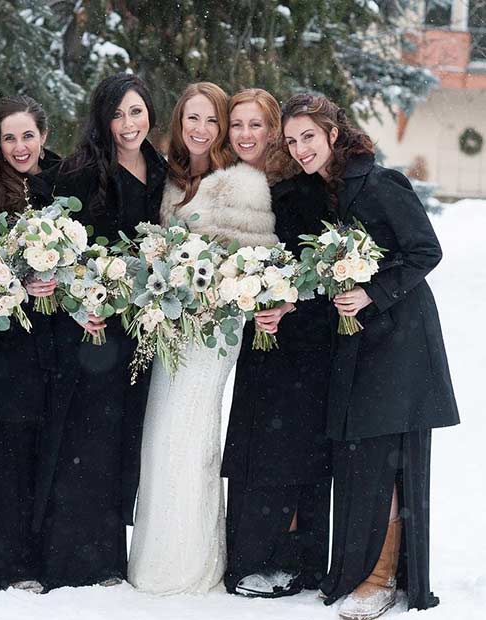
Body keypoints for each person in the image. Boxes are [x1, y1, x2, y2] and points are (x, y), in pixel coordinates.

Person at [281, 93, 460, 620]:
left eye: (308, 137)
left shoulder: (381, 184)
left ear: (333, 134)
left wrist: (372, 293)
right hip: (357, 342)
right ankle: (365, 569)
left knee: (386, 462)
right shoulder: (326, 192)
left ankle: (381, 577)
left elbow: (426, 251)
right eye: (291, 142)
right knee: (362, 459)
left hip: (399, 341)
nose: (300, 149)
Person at [127, 82, 278, 595]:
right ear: (178, 123)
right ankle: (155, 556)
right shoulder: (167, 181)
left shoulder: (241, 185)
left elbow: (252, 261)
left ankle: (188, 565)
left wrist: (206, 286)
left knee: (186, 432)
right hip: (170, 326)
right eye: (193, 118)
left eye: (212, 120)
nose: (202, 129)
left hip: (212, 330)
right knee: (159, 436)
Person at [34, 73, 167, 591]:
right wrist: (78, 302)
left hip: (141, 328)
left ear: (149, 113)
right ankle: (70, 559)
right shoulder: (81, 173)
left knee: (122, 438)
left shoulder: (161, 170)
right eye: (117, 114)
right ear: (102, 118)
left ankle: (110, 555)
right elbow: (59, 248)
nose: (128, 124)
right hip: (92, 331)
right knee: (83, 438)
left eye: (136, 112)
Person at [222, 88, 333, 598]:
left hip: (301, 342)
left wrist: (289, 302)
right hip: (258, 339)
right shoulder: (232, 185)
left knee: (284, 450)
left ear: (275, 134)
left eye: (256, 126)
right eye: (237, 125)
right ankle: (249, 555)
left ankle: (288, 558)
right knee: (253, 445)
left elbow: (319, 269)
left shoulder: (300, 189)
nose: (246, 135)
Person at [0, 94, 60, 593]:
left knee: (44, 451)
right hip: (5, 345)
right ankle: (0, 562)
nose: (20, 146)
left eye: (28, 135)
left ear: (43, 136)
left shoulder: (60, 182)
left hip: (53, 343)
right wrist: (16, 283)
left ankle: (38, 556)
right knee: (6, 453)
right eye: (9, 137)